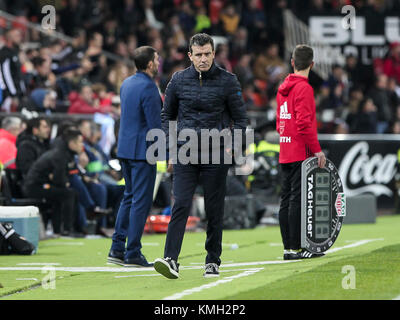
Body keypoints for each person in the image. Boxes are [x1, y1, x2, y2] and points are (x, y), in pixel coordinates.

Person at [154, 33, 247, 279]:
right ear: (190, 56)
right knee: (181, 204)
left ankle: (212, 261)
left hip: (216, 153)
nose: (203, 58)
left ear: (214, 54)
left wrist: (233, 148)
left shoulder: (228, 81)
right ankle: (171, 259)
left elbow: (240, 118)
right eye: (198, 54)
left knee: (213, 209)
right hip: (185, 153)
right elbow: (167, 117)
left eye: (207, 53)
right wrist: (171, 149)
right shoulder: (178, 80)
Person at [107, 46, 161, 267]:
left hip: (125, 148)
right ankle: (133, 252)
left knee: (129, 197)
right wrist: (168, 155)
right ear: (149, 64)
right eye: (156, 59)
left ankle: (117, 248)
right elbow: (155, 125)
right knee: (141, 200)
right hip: (142, 151)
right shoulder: (150, 87)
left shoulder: (126, 83)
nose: (158, 63)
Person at [275, 44, 326, 260]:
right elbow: (305, 124)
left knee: (286, 199)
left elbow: (280, 123)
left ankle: (289, 248)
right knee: (298, 199)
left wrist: (287, 136)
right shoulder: (304, 89)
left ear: (293, 62)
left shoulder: (282, 88)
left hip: (285, 149)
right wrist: (317, 151)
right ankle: (299, 247)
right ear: (312, 65)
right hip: (300, 151)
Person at [22, 129, 84, 236]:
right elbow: (59, 178)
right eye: (80, 142)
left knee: (63, 194)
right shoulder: (60, 155)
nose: (82, 145)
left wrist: (60, 181)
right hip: (34, 187)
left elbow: (59, 176)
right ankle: (67, 230)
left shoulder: (66, 154)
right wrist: (64, 182)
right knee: (69, 194)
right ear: (72, 143)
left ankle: (58, 230)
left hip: (43, 185)